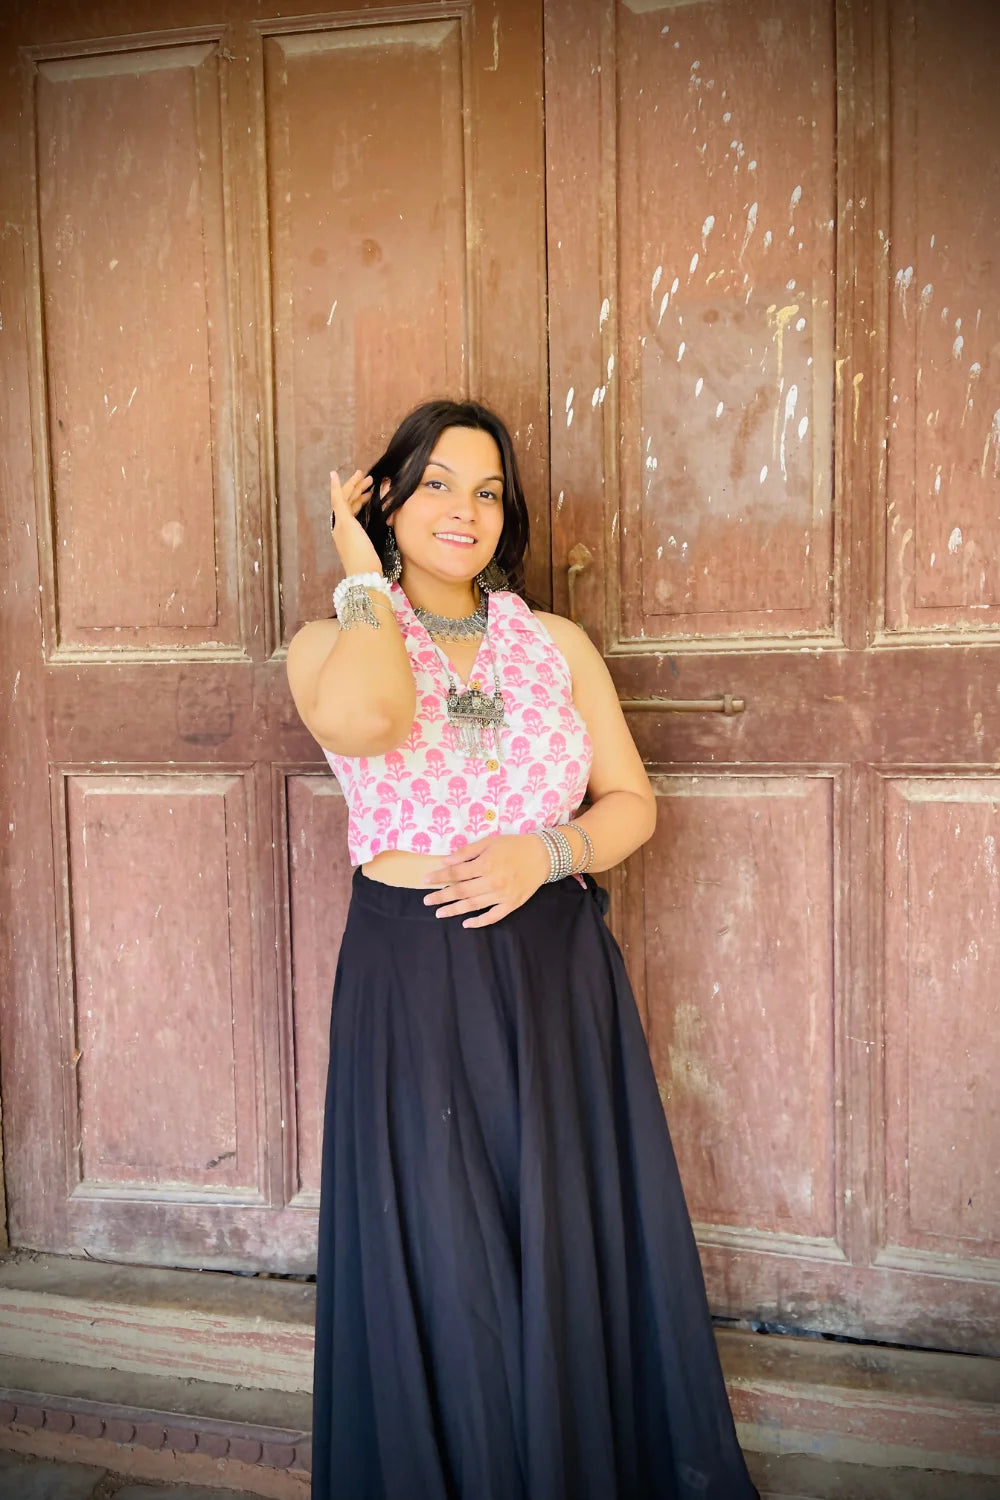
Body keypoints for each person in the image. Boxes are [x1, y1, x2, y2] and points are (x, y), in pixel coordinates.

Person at [287, 399, 759, 1500]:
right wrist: (359, 571)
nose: (466, 509)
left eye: (488, 489)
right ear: (386, 499)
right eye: (437, 483)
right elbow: (365, 722)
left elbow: (632, 803)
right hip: (414, 982)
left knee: (561, 1249)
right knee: (449, 1267)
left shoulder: (554, 645)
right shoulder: (333, 640)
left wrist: (544, 854)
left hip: (554, 976)